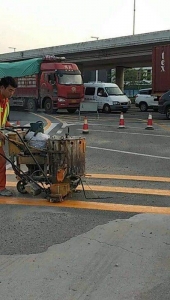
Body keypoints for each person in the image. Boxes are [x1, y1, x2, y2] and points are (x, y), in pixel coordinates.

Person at [0, 76, 17, 196]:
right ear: (2, 88)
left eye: (13, 91)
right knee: (1, 163)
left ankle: (1, 187)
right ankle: (1, 188)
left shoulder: (6, 101)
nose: (12, 93)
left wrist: (11, 126)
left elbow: (3, 120)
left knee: (1, 163)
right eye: (10, 90)